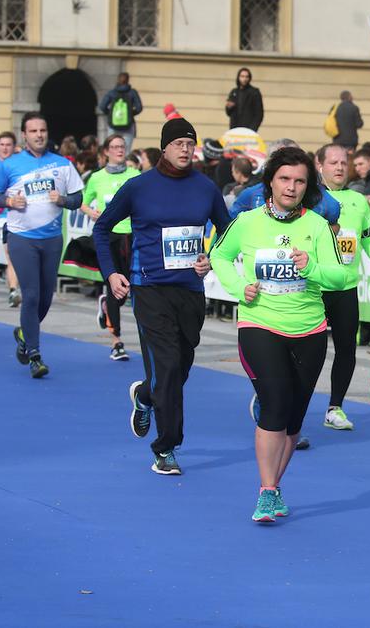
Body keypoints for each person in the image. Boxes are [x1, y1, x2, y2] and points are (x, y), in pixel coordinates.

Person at [209, 147, 348, 521]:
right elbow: (219, 256)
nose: (291, 187)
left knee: (294, 418)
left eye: (300, 181)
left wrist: (312, 266)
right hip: (260, 323)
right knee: (274, 402)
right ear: (270, 181)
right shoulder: (248, 221)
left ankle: (275, 486)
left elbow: (341, 277)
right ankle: (266, 491)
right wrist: (240, 288)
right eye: (285, 179)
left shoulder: (317, 226)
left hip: (309, 329)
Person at [93, 118, 231, 476]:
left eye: (190, 143)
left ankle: (144, 395)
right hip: (149, 287)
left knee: (179, 368)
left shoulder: (205, 187)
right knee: (167, 367)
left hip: (189, 291)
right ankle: (166, 447)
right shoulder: (138, 187)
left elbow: (227, 231)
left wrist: (212, 258)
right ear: (165, 147)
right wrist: (112, 273)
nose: (185, 149)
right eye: (179, 143)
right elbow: (101, 227)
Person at [0, 112, 85, 378]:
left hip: (51, 239)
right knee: (31, 295)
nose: (38, 135)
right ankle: (35, 355)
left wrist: (63, 200)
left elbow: (78, 199)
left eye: (42, 130)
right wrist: (10, 202)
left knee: (46, 298)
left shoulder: (62, 164)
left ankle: (25, 332)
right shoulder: (9, 164)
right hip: (22, 238)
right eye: (33, 131)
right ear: (24, 135)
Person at [317, 143, 370, 429]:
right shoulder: (309, 198)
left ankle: (335, 407)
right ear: (320, 165)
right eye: (333, 162)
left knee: (347, 349)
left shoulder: (358, 200)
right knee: (308, 352)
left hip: (346, 289)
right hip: (314, 288)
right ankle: (289, 406)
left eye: (343, 162)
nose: (339, 167)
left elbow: (368, 237)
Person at [82, 134, 142, 361]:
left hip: (132, 236)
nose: (119, 150)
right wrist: (92, 213)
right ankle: (116, 341)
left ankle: (107, 305)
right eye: (114, 147)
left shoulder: (134, 175)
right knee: (114, 287)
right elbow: (83, 203)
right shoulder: (96, 178)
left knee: (131, 288)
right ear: (106, 151)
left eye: (122, 147)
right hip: (109, 236)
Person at [0, 130, 22, 307]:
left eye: (9, 145)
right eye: (2, 145)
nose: (5, 148)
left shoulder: (19, 167)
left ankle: (13, 290)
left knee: (10, 255)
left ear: (14, 148)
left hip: (10, 218)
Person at [99, 72, 143, 152]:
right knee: (126, 151)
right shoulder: (132, 92)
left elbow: (102, 106)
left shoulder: (112, 92)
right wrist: (130, 114)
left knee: (112, 149)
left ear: (118, 80)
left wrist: (111, 114)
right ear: (128, 80)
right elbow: (139, 108)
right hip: (128, 126)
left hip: (113, 126)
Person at [226, 67, 264, 131]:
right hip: (234, 129)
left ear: (249, 78)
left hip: (249, 129)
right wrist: (229, 107)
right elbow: (228, 112)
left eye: (247, 77)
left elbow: (259, 114)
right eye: (242, 76)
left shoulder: (254, 92)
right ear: (238, 77)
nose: (244, 79)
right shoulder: (234, 92)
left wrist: (253, 129)